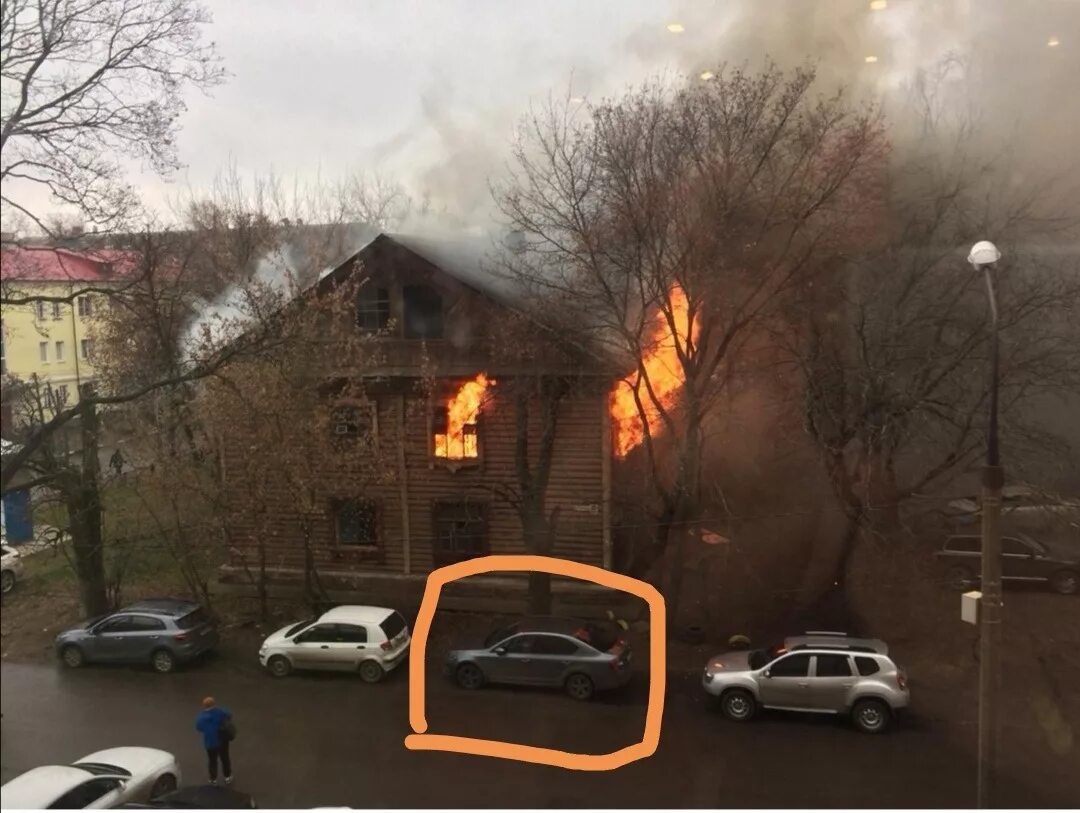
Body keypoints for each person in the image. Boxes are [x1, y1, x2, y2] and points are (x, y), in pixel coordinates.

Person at [195, 696, 233, 785]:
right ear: (214, 704)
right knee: (225, 758)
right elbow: (229, 714)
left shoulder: (201, 717)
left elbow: (199, 728)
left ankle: (213, 779)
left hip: (210, 742)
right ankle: (227, 777)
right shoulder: (219, 712)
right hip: (222, 740)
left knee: (212, 760)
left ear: (204, 706)